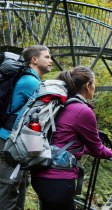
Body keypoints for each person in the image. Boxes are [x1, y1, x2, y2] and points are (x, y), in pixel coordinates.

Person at [31, 66, 112, 210]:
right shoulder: (82, 111)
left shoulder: (61, 103)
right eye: (94, 84)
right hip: (58, 179)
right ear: (88, 85)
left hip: (40, 174)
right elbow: (97, 149)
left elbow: (64, 141)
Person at [0, 45, 53, 210]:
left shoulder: (30, 80)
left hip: (15, 141)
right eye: (47, 57)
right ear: (34, 60)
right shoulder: (31, 82)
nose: (51, 60)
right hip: (8, 141)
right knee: (8, 188)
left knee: (18, 185)